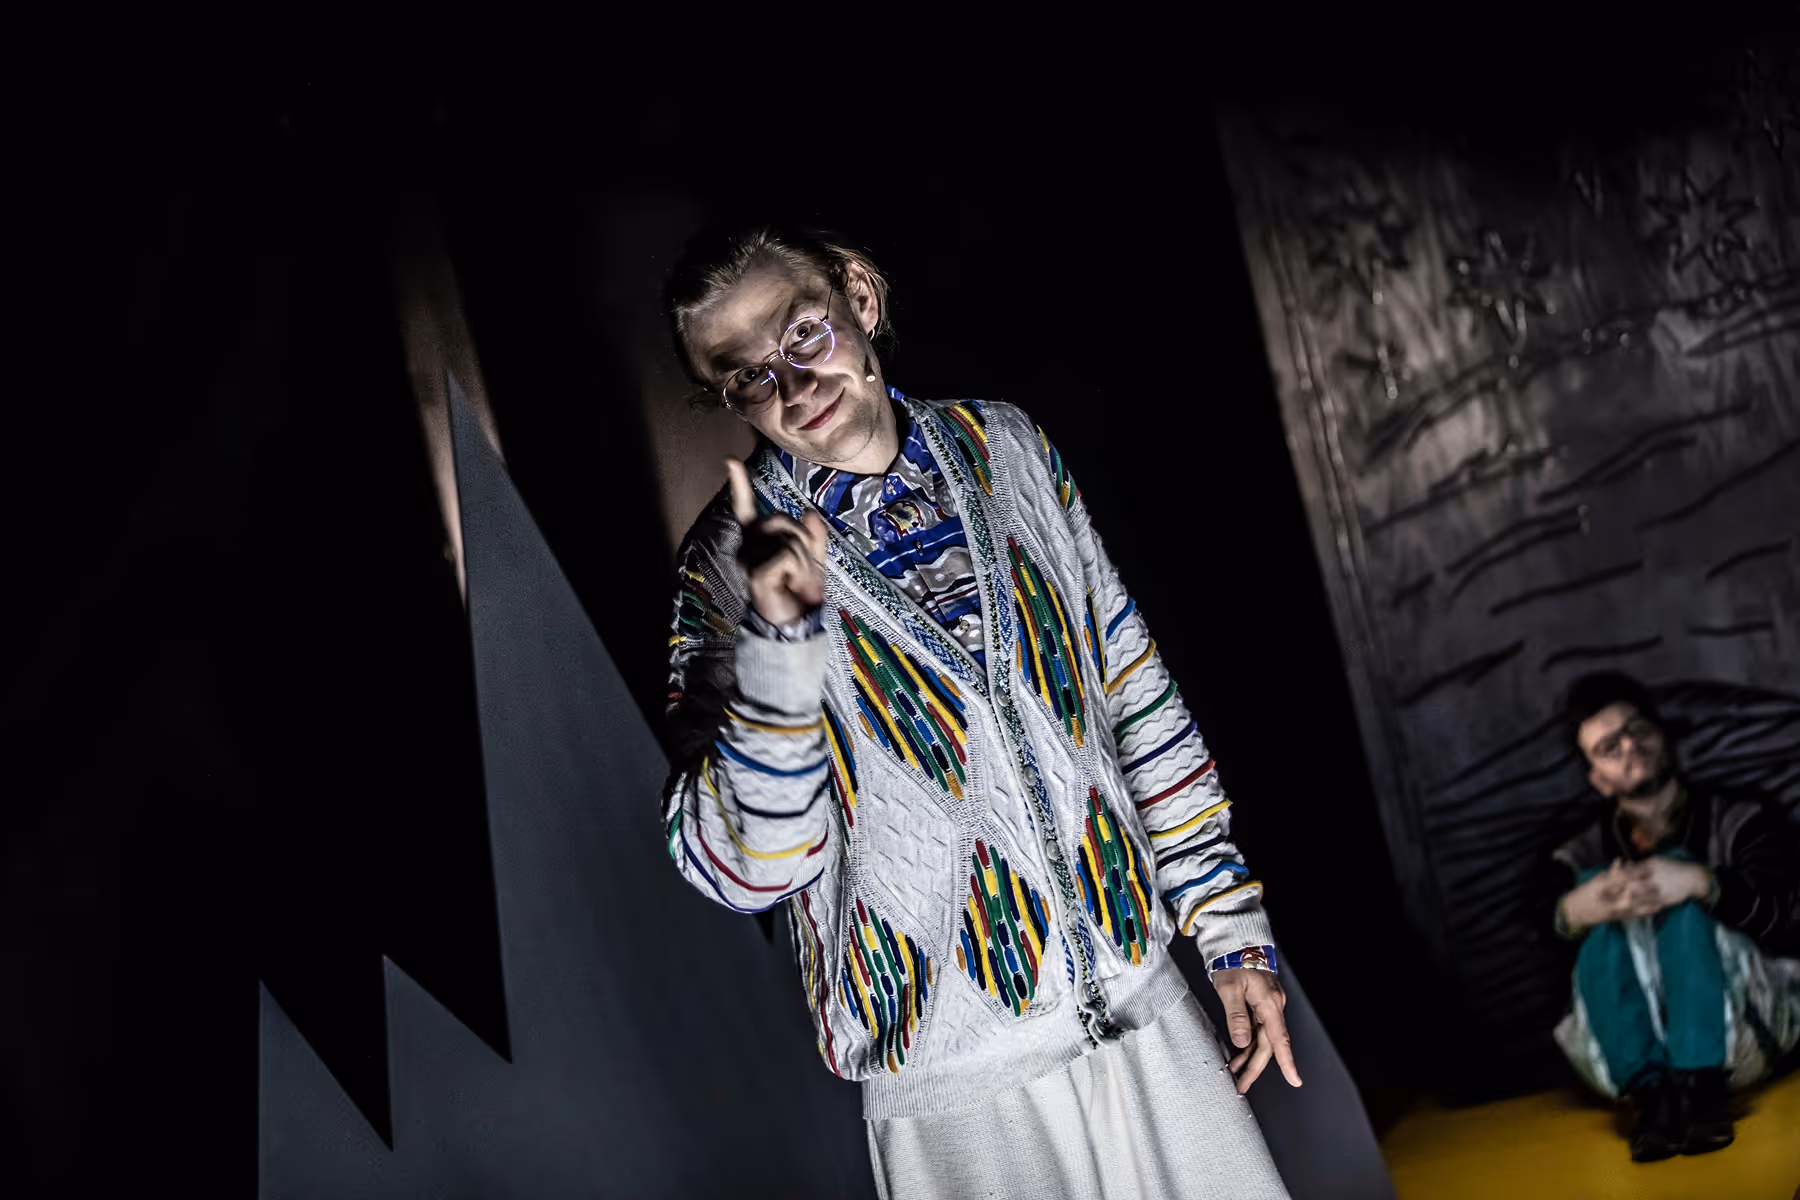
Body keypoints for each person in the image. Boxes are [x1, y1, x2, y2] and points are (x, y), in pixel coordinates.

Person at [657, 223, 1298, 1199]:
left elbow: (1136, 696)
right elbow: (740, 869)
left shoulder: (1009, 447)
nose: (791, 387)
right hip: (956, 1088)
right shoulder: (727, 570)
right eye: (746, 376)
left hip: (1142, 1001)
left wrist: (1230, 928)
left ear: (860, 299)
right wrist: (784, 649)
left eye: (805, 335)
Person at [1549, 671, 1800, 1163]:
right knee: (1594, 892)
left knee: (1679, 875)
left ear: (1663, 736)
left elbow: (1781, 913)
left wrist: (1698, 883)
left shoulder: (1741, 818)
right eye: (1608, 747)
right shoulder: (1575, 853)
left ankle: (1700, 1086)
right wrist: (1575, 911)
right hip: (1621, 1064)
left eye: (1637, 729)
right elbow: (1540, 941)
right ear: (1597, 779)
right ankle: (1653, 1096)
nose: (1628, 747)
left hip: (1746, 1034)